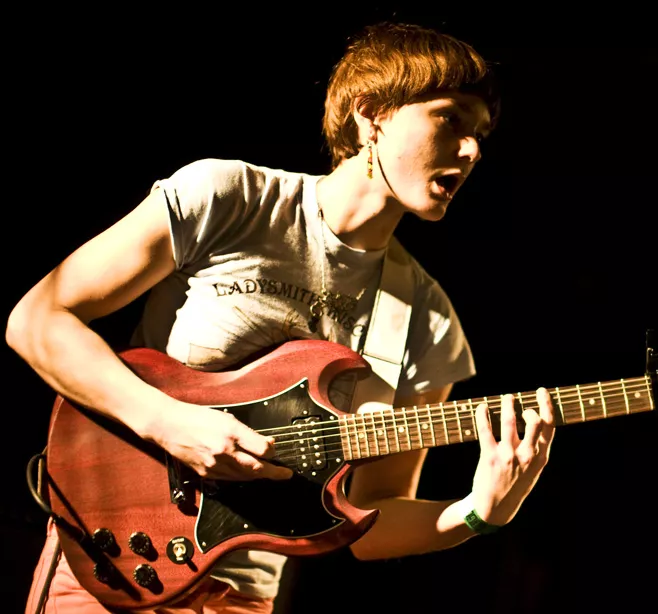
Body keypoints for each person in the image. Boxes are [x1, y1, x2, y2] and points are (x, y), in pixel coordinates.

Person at [7, 21, 556, 614]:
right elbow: (37, 319)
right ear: (371, 115)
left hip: (243, 598)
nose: (472, 151)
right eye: (451, 119)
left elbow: (373, 523)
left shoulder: (429, 320)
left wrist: (476, 512)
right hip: (113, 565)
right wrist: (167, 422)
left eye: (480, 134)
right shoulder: (229, 198)